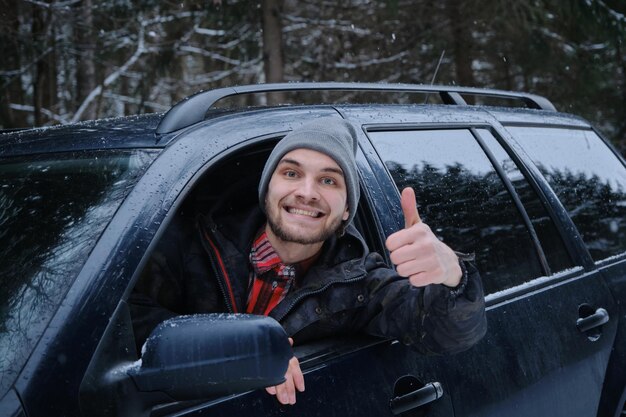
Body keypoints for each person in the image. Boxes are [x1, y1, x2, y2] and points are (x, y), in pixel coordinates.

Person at [130, 117, 487, 406]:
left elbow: (445, 333)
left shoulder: (359, 284)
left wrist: (453, 277)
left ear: (346, 209)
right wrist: (242, 350)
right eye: (291, 173)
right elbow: (123, 322)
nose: (306, 191)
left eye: (329, 180)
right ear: (267, 190)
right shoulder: (192, 246)